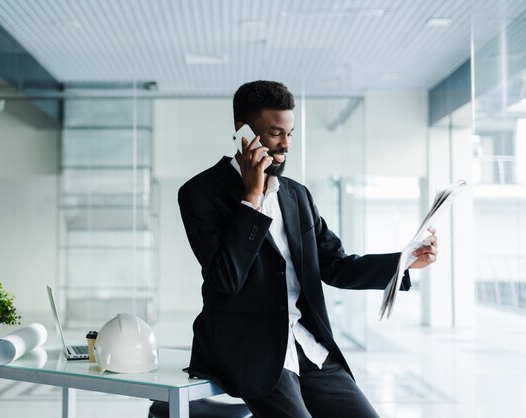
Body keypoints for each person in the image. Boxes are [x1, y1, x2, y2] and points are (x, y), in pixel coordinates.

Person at [177, 80, 438, 417]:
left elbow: (335, 265)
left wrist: (404, 261)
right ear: (243, 131)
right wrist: (251, 200)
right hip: (248, 350)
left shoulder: (296, 195)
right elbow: (225, 279)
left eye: (290, 133)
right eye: (275, 133)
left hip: (306, 344)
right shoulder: (200, 193)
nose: (286, 144)